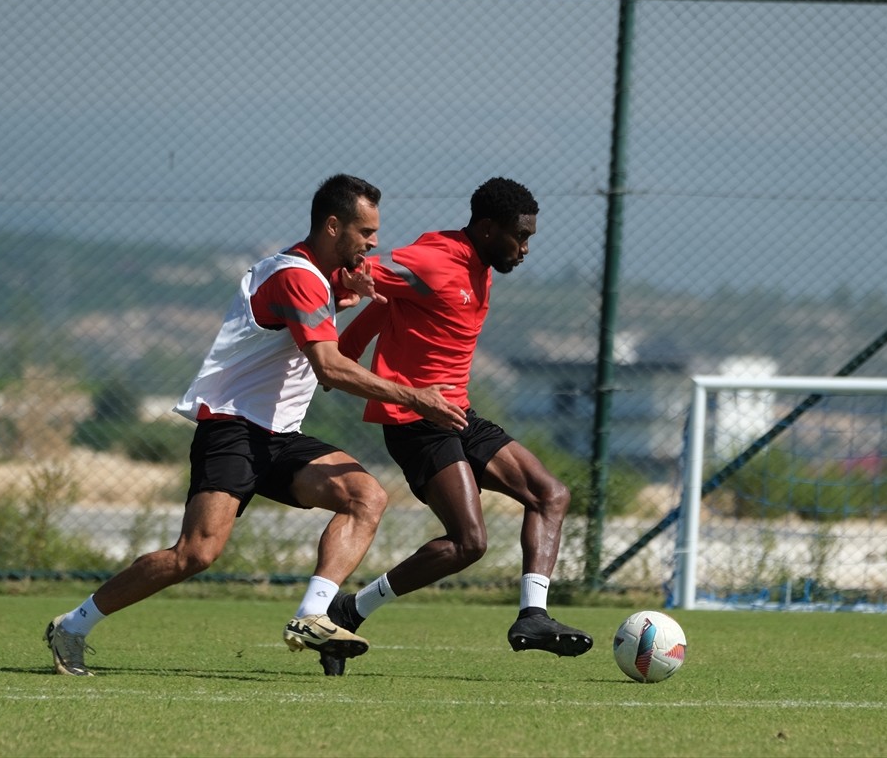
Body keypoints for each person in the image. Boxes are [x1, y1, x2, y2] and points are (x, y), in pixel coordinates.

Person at [44, 174, 468, 676]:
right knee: (194, 554)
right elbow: (329, 369)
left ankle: (312, 615)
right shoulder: (297, 277)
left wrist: (347, 296)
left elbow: (316, 318)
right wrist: (417, 397)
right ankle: (72, 625)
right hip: (232, 429)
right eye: (365, 231)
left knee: (366, 496)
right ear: (333, 226)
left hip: (279, 436)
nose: (374, 243)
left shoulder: (317, 275)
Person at [321, 177, 593, 676]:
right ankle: (348, 611)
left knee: (550, 494)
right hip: (416, 421)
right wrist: (347, 297)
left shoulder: (478, 263)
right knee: (469, 543)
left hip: (459, 415)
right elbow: (361, 274)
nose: (526, 249)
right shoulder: (437, 259)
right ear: (488, 229)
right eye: (520, 237)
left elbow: (393, 304)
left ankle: (532, 615)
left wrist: (351, 347)